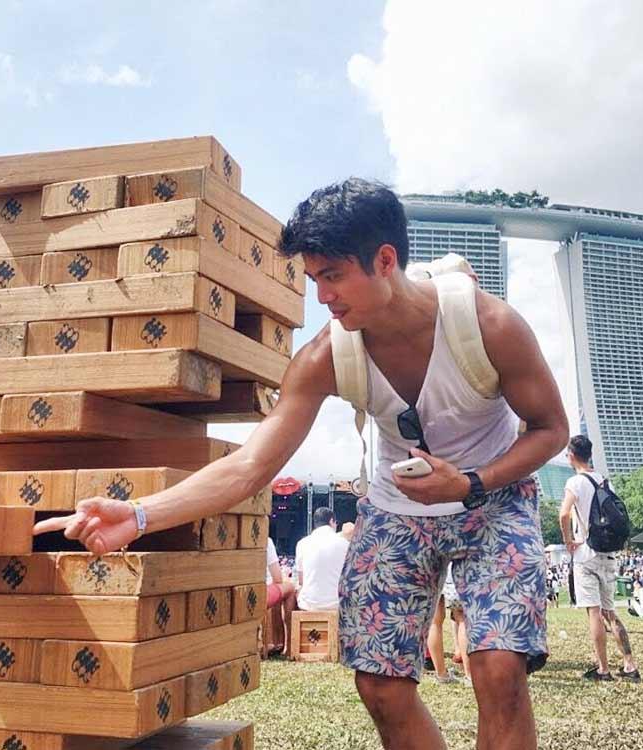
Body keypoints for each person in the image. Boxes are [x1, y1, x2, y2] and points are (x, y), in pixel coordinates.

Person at [34, 178, 568, 750]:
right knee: (380, 685)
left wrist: (469, 481)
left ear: (385, 260)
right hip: (398, 508)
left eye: (333, 275)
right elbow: (250, 466)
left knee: (498, 668)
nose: (323, 297)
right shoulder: (326, 357)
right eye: (315, 279)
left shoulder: (491, 326)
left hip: (491, 496)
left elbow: (552, 430)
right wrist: (138, 515)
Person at [559, 434, 640, 682]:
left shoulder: (575, 482)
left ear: (572, 455)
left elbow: (563, 514)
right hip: (607, 552)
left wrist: (568, 541)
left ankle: (603, 668)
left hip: (586, 553)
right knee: (610, 612)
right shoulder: (605, 481)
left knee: (593, 612)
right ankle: (629, 664)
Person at [287, 508, 350, 654]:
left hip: (309, 603)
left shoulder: (302, 543)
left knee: (293, 590)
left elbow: (301, 581)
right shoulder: (344, 544)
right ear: (332, 522)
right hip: (337, 603)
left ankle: (289, 643)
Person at [265, 536, 296, 655]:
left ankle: (274, 640)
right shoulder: (265, 541)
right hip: (259, 595)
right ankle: (287, 644)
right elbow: (277, 578)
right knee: (290, 588)